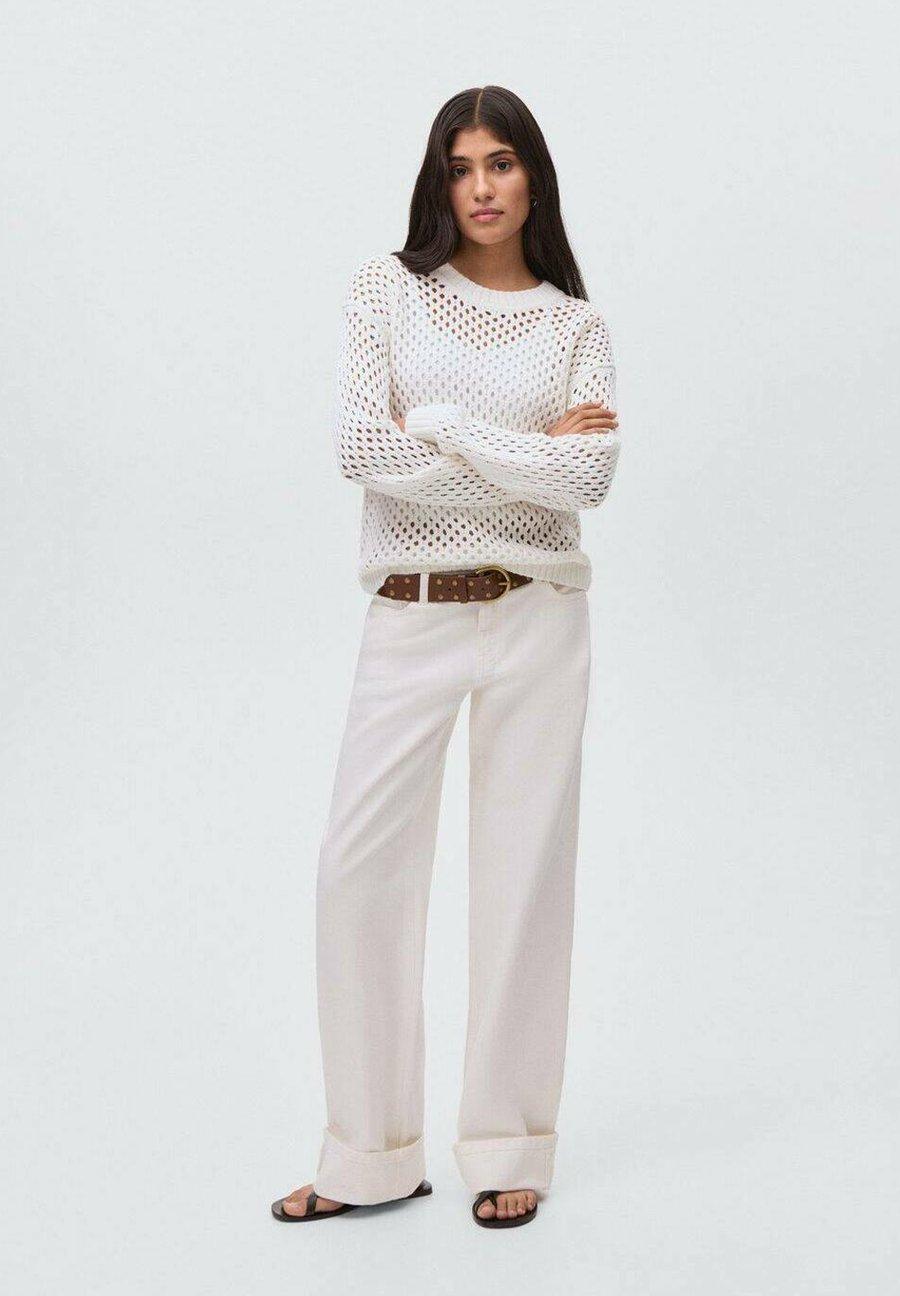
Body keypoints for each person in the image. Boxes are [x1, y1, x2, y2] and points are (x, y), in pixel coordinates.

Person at [271, 84, 621, 1230]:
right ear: (438, 180)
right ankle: (369, 1155)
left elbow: (589, 477)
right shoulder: (390, 290)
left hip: (538, 617)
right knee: (355, 873)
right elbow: (358, 447)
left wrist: (444, 430)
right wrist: (523, 455)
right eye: (461, 166)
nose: (481, 187)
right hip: (410, 615)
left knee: (523, 882)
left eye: (501, 163)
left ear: (533, 178)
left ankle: (510, 1142)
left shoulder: (574, 327)